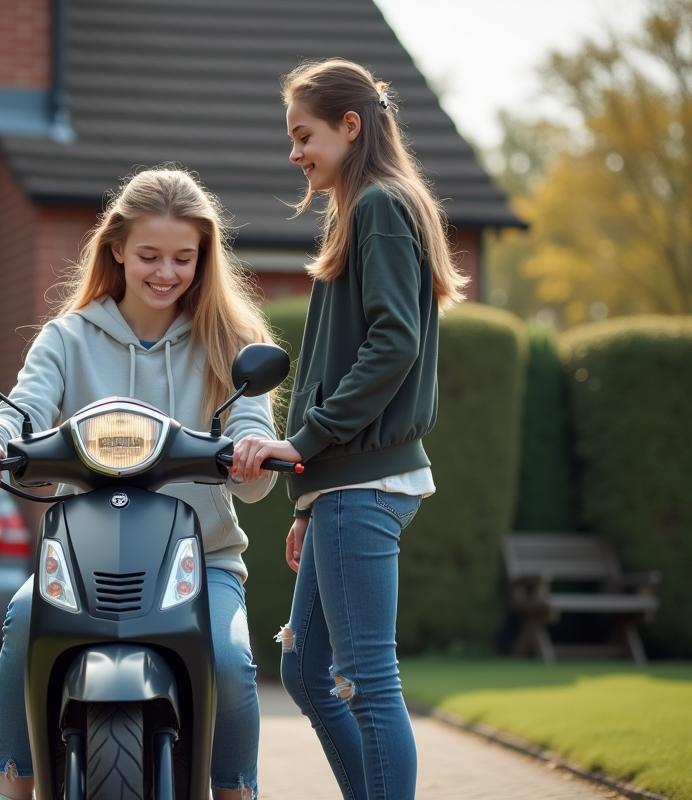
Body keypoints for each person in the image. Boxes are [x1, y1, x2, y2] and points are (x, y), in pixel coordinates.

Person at [0, 166, 280, 800]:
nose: (166, 272)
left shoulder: (231, 341)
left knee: (233, 664)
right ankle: (13, 783)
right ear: (117, 251)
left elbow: (251, 441)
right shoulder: (68, 337)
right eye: (150, 256)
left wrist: (253, 451)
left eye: (184, 258)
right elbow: (21, 408)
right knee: (23, 617)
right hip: (80, 560)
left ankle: (236, 792)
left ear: (204, 259)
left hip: (201, 558)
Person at [231, 59, 469, 800]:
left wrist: (304, 443)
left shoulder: (378, 206)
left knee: (365, 678)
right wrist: (309, 494)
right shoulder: (361, 207)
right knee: (306, 670)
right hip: (342, 485)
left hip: (364, 481)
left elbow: (393, 343)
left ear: (350, 127)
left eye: (304, 135)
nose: (295, 152)